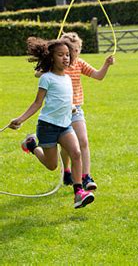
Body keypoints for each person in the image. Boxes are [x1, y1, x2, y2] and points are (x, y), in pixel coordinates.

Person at [8, 37, 94, 209]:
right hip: (47, 126)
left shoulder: (68, 78)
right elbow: (37, 103)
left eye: (68, 55)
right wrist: (20, 119)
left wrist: (71, 108)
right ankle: (32, 145)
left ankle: (78, 193)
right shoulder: (46, 78)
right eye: (61, 55)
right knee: (52, 165)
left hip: (65, 125)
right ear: (51, 58)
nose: (66, 58)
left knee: (76, 153)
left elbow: (64, 99)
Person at [35, 32, 115, 191]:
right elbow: (38, 74)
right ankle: (67, 170)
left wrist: (106, 64)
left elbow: (98, 76)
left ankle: (86, 177)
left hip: (75, 109)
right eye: (69, 52)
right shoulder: (55, 67)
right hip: (58, 112)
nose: (72, 55)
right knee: (65, 148)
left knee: (82, 141)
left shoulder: (79, 63)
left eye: (76, 51)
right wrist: (46, 64)